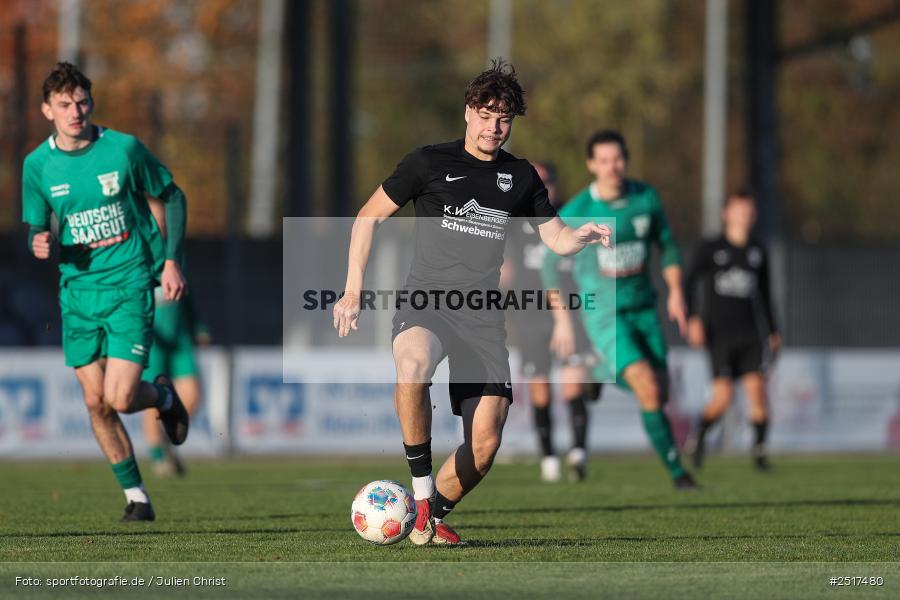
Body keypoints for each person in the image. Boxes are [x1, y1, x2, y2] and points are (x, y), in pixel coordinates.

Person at [332, 60, 611, 545]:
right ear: (467, 113)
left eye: (503, 119)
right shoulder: (426, 162)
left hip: (482, 319)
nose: (493, 127)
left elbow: (557, 239)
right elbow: (367, 218)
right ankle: (420, 497)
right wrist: (353, 289)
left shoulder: (520, 177)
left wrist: (581, 235)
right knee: (414, 365)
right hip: (426, 303)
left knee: (484, 446)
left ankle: (429, 518)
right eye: (485, 115)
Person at [21, 62, 190, 521]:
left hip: (130, 284)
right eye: (64, 104)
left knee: (118, 397)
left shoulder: (123, 150)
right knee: (95, 401)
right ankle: (136, 496)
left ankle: (163, 398)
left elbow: (173, 196)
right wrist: (38, 240)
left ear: (90, 103)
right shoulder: (37, 166)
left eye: (81, 102)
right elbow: (39, 228)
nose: (75, 111)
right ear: (46, 110)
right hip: (76, 293)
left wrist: (171, 261)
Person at [542, 129, 699, 490]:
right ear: (591, 164)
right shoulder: (578, 211)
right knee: (645, 384)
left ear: (625, 160)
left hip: (644, 308)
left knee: (659, 392)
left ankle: (597, 372)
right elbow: (550, 266)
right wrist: (562, 321)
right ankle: (679, 473)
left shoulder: (645, 199)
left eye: (618, 159)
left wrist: (676, 291)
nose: (613, 167)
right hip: (604, 314)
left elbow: (668, 246)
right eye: (604, 160)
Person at [503, 161, 601, 483]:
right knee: (540, 390)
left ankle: (579, 455)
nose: (541, 186)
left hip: (569, 315)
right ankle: (548, 458)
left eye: (546, 180)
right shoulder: (513, 224)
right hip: (530, 317)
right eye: (535, 180)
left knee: (574, 385)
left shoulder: (570, 220)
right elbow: (503, 267)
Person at [684, 190, 780, 471]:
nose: (744, 216)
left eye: (749, 211)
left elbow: (764, 293)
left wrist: (773, 330)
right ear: (726, 213)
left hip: (750, 333)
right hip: (720, 335)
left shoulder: (757, 250)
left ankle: (760, 453)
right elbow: (689, 282)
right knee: (723, 398)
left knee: (757, 392)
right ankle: (699, 436)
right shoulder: (711, 248)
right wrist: (693, 318)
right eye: (739, 210)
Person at [141, 199, 209, 476]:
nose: (160, 225)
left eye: (163, 220)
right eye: (154, 220)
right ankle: (158, 456)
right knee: (150, 397)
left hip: (179, 336)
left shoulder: (175, 254)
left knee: (193, 395)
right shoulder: (136, 254)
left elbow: (186, 295)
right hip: (150, 338)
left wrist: (198, 326)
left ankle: (167, 439)